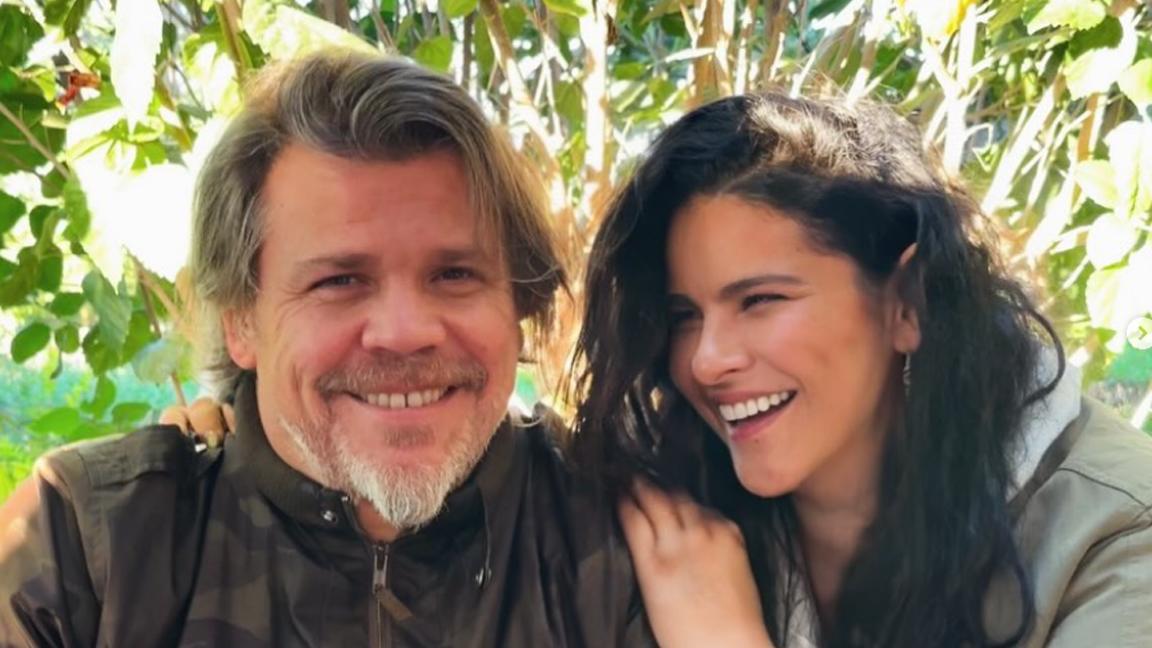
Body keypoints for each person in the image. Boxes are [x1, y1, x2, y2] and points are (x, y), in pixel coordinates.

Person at [0, 51, 652, 647]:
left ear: (519, 302)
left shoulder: (621, 537)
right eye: (339, 281)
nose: (405, 331)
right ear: (241, 320)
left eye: (455, 274)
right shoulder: (88, 549)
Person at [572, 93, 1152, 647]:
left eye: (760, 300)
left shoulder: (1120, 536)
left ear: (909, 301)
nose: (706, 360)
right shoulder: (670, 512)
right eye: (684, 316)